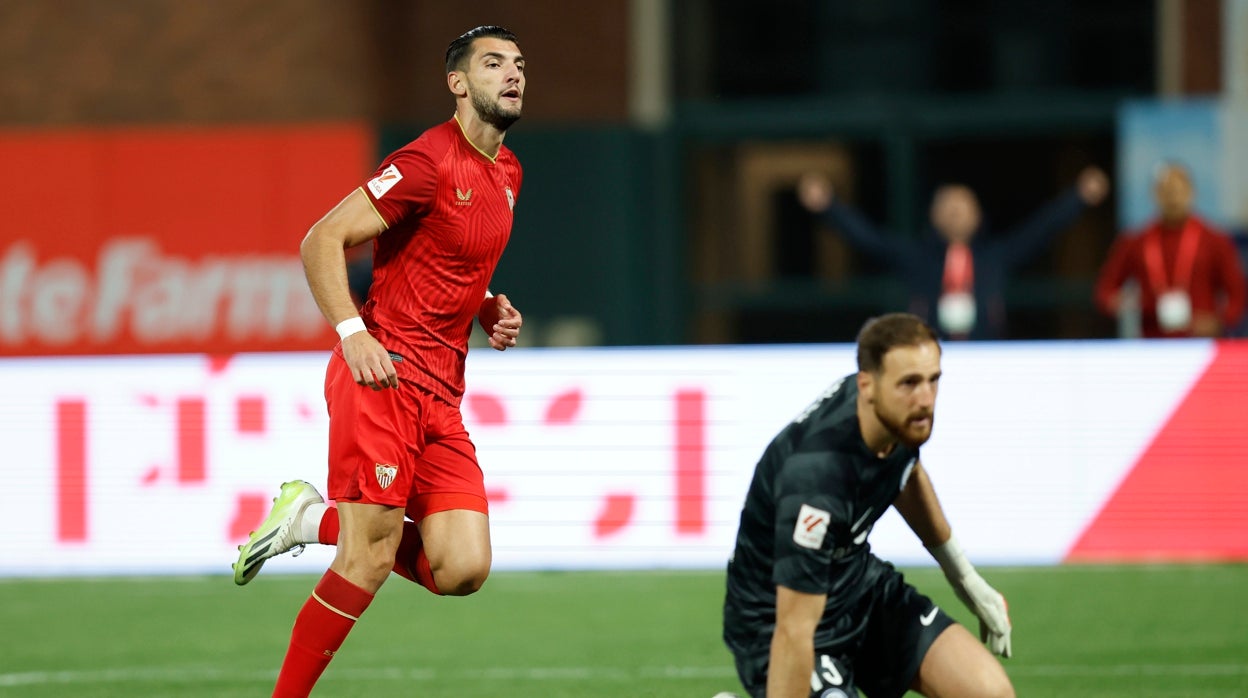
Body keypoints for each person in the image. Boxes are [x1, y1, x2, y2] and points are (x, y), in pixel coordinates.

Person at [230, 25, 527, 697]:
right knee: (366, 558)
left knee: (463, 569)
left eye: (518, 64)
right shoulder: (425, 162)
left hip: (441, 394)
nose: (513, 74)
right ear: (459, 83)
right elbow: (321, 239)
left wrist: (482, 305)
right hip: (382, 373)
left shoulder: (508, 172)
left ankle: (307, 519)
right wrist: (350, 330)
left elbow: (447, 254)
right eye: (493, 64)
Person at [721, 313, 1014, 698]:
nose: (925, 399)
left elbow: (905, 471)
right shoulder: (816, 481)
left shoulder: (897, 417)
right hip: (776, 616)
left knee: (991, 694)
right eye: (910, 383)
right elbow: (794, 630)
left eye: (933, 380)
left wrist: (965, 579)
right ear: (867, 386)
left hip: (857, 587)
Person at [798, 167, 1109, 340]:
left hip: (987, 357)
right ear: (933, 215)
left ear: (977, 214)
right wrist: (829, 207)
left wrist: (1078, 198)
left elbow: (1042, 228)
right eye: (947, 206)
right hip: (929, 361)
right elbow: (868, 238)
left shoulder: (995, 256)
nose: (956, 213)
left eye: (963, 206)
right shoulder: (917, 258)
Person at [1094, 162, 1246, 338]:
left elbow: (1237, 295)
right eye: (1167, 191)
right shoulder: (1135, 241)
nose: (1173, 198)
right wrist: (1123, 302)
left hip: (1201, 344)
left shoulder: (1215, 240)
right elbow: (1105, 292)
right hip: (1153, 345)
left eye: (1179, 191)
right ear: (1155, 194)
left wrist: (1219, 321)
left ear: (1192, 192)